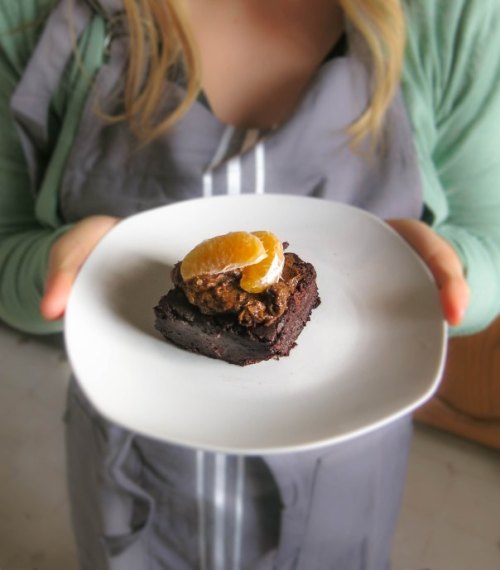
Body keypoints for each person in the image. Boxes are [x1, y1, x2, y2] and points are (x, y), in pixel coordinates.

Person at [1, 0, 499, 568]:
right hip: (129, 461)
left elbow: (489, 244)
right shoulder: (38, 15)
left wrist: (448, 273)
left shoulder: (453, 16)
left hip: (344, 468)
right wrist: (57, 270)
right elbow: (6, 243)